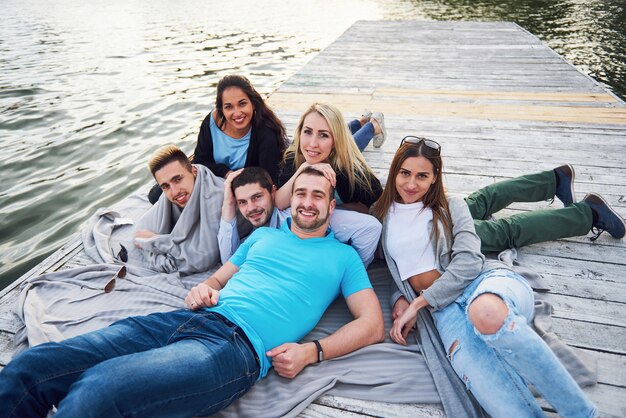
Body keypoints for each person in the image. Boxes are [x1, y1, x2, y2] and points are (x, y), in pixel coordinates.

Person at [0, 167, 384, 418]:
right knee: (31, 367)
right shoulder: (264, 236)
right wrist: (205, 287)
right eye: (300, 193)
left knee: (98, 391)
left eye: (317, 195)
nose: (306, 202)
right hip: (188, 320)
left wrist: (311, 352)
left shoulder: (343, 257)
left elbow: (372, 324)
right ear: (291, 199)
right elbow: (220, 277)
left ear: (331, 207)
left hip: (235, 350)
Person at [373, 137, 598, 417]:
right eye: (404, 173)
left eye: (422, 176)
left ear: (434, 179)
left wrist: (419, 303)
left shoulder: (451, 206)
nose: (410, 183)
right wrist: (400, 299)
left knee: (486, 312)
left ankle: (582, 414)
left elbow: (469, 262)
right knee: (492, 391)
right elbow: (392, 270)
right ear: (395, 172)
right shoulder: (382, 216)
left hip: (480, 284)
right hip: (444, 313)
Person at [148, 74, 288, 203]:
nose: (237, 113)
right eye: (228, 107)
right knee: (156, 196)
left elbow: (267, 179)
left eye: (242, 103)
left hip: (243, 186)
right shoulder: (211, 123)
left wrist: (234, 182)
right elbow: (200, 160)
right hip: (214, 177)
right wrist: (227, 173)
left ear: (253, 103)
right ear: (221, 109)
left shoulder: (266, 132)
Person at [217, 166, 381, 266]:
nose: (251, 208)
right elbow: (229, 261)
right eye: (242, 202)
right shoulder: (254, 238)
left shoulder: (303, 215)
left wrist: (352, 273)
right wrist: (228, 203)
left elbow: (370, 228)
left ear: (273, 192)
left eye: (257, 197)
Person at [465, 160, 626, 251]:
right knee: (478, 203)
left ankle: (590, 213)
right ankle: (554, 180)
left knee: (503, 233)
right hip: (439, 212)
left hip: (440, 232)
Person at [133, 144, 224, 274]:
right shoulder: (173, 192)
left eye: (178, 179)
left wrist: (155, 241)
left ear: (193, 171)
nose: (174, 191)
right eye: (165, 186)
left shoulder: (216, 197)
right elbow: (139, 233)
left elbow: (203, 258)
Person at [276, 102, 383, 214]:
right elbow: (279, 203)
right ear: (299, 133)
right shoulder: (294, 156)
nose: (312, 144)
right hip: (327, 149)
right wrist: (305, 167)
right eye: (307, 132)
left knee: (354, 143)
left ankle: (374, 125)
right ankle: (361, 121)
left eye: (323, 135)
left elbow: (378, 206)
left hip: (340, 153)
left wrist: (339, 206)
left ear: (336, 141)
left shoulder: (352, 172)